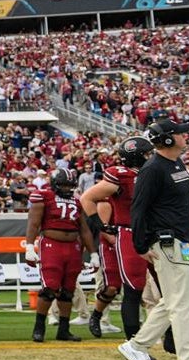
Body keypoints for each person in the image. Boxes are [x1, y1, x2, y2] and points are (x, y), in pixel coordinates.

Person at [118, 120, 189, 360]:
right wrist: (140, 245)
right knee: (183, 303)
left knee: (173, 300)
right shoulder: (153, 169)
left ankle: (136, 346)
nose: (184, 135)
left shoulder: (176, 165)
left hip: (180, 241)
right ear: (167, 139)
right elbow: (138, 209)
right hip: (166, 242)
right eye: (178, 133)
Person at [79, 136, 153, 339]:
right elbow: (91, 201)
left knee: (161, 289)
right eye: (147, 153)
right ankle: (99, 316)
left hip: (149, 235)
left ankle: (167, 334)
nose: (151, 156)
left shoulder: (152, 173)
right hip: (119, 237)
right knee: (115, 286)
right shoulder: (118, 179)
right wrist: (102, 228)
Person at [25, 168, 96, 343]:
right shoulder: (44, 197)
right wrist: (29, 246)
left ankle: (64, 330)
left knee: (68, 290)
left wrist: (93, 253)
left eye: (69, 185)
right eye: (63, 185)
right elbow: (33, 224)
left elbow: (84, 230)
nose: (66, 188)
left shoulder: (76, 201)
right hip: (51, 244)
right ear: (55, 183)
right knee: (50, 287)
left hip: (73, 247)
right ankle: (39, 327)